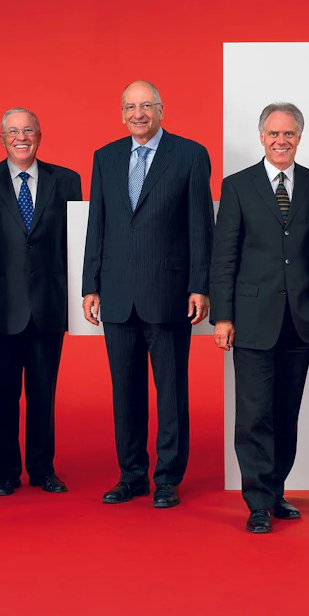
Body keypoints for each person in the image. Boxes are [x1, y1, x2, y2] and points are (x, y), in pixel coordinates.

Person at [82, 81, 214, 509]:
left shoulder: (190, 154)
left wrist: (200, 285)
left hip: (169, 292)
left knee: (171, 391)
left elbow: (200, 226)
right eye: (130, 107)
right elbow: (96, 225)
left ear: (161, 109)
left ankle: (167, 478)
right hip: (117, 295)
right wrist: (90, 285)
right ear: (122, 114)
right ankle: (132, 474)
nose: (138, 114)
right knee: (126, 391)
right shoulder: (106, 157)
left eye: (146, 106)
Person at [209, 103, 309, 534]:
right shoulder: (238, 185)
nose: (281, 141)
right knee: (254, 413)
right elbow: (223, 257)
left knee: (286, 411)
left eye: (289, 134)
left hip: (300, 319)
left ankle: (277, 489)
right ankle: (257, 502)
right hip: (250, 319)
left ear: (300, 137)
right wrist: (222, 318)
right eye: (273, 134)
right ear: (261, 137)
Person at [0, 108, 82, 497]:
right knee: (2, 396)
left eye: (28, 130)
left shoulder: (66, 180)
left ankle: (42, 468)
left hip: (48, 307)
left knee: (42, 394)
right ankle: (7, 472)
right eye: (13, 131)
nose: (21, 137)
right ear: (1, 138)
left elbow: (76, 247)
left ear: (40, 135)